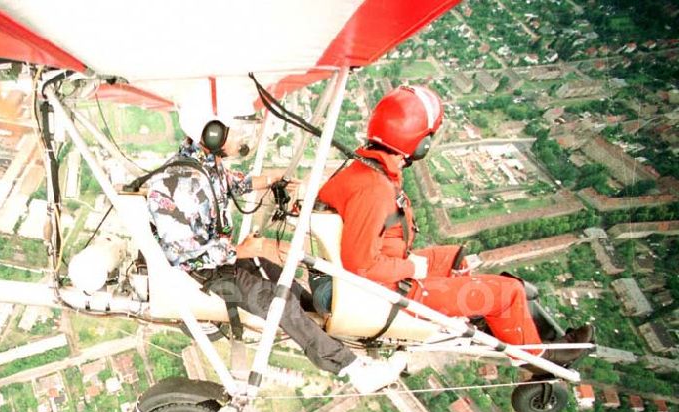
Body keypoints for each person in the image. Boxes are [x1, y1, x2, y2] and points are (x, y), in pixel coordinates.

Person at [317, 85, 593, 367]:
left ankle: (499, 323)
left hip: (386, 271)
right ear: (420, 143)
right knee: (509, 292)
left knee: (455, 258)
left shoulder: (365, 168)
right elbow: (361, 266)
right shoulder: (373, 189)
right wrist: (411, 268)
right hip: (390, 289)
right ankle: (541, 358)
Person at [145, 97, 405, 393]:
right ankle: (352, 370)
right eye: (235, 131)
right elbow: (187, 257)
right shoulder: (177, 183)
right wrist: (249, 250)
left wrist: (272, 179)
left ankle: (339, 330)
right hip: (206, 271)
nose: (240, 138)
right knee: (276, 301)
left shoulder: (203, 164)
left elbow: (233, 183)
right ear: (213, 133)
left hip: (224, 258)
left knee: (286, 283)